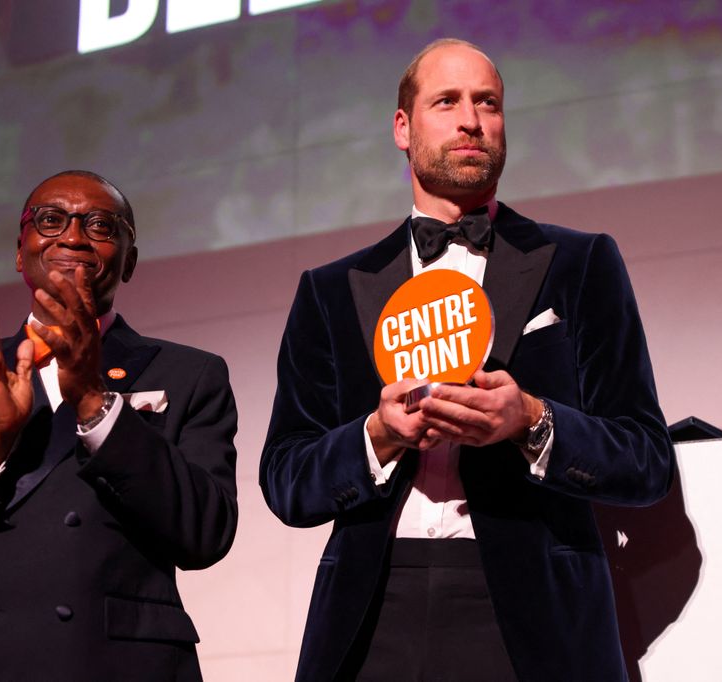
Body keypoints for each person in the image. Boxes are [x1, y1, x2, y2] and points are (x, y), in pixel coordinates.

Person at [260, 39, 674, 681]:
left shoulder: (581, 263)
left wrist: (533, 421)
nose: (471, 120)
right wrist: (377, 435)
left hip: (532, 610)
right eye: (446, 101)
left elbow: (645, 460)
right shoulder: (332, 288)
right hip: (373, 609)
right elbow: (287, 479)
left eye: (488, 103)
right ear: (403, 127)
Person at [0, 170, 238, 681]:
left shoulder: (190, 374)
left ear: (129, 260)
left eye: (101, 225)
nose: (73, 236)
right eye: (50, 219)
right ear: (21, 252)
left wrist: (93, 401)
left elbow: (205, 533)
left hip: (113, 665)